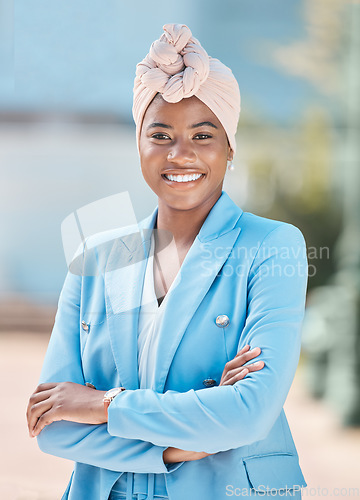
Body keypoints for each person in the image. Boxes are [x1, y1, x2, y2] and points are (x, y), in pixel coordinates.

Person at [27, 23, 308, 500]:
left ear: (230, 147)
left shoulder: (272, 247)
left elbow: (249, 413)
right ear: (139, 143)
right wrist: (177, 447)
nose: (182, 154)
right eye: (161, 134)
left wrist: (103, 404)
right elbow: (52, 426)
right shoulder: (96, 257)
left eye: (203, 134)